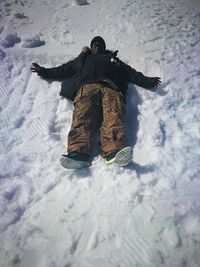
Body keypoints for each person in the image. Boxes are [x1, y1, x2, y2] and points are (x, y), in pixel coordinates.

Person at [31, 36, 161, 169]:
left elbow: (131, 73)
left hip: (111, 87)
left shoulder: (113, 60)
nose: (97, 45)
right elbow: (64, 69)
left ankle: (114, 151)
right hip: (87, 88)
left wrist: (148, 81)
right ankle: (78, 153)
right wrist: (44, 71)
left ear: (104, 48)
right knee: (82, 116)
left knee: (113, 116)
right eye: (94, 43)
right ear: (91, 47)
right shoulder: (83, 58)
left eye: (100, 43)